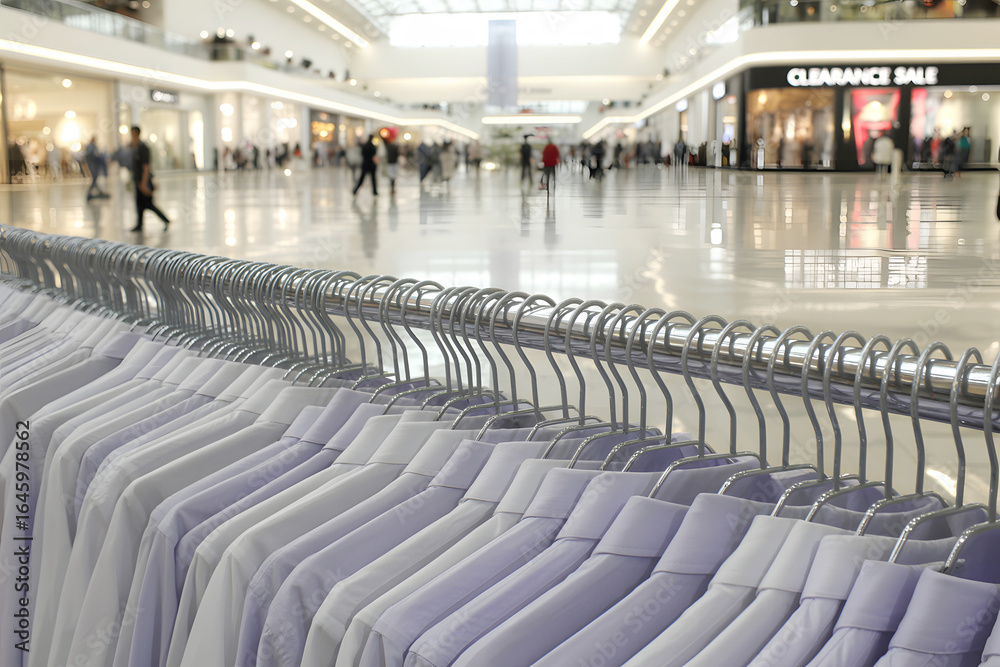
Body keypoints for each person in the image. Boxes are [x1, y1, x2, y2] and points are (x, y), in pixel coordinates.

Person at [129, 126, 170, 232]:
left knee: (148, 204)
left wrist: (143, 183)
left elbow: (146, 167)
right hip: (138, 180)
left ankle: (165, 220)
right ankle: (139, 224)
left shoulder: (143, 148)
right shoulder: (134, 147)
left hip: (143, 180)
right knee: (140, 204)